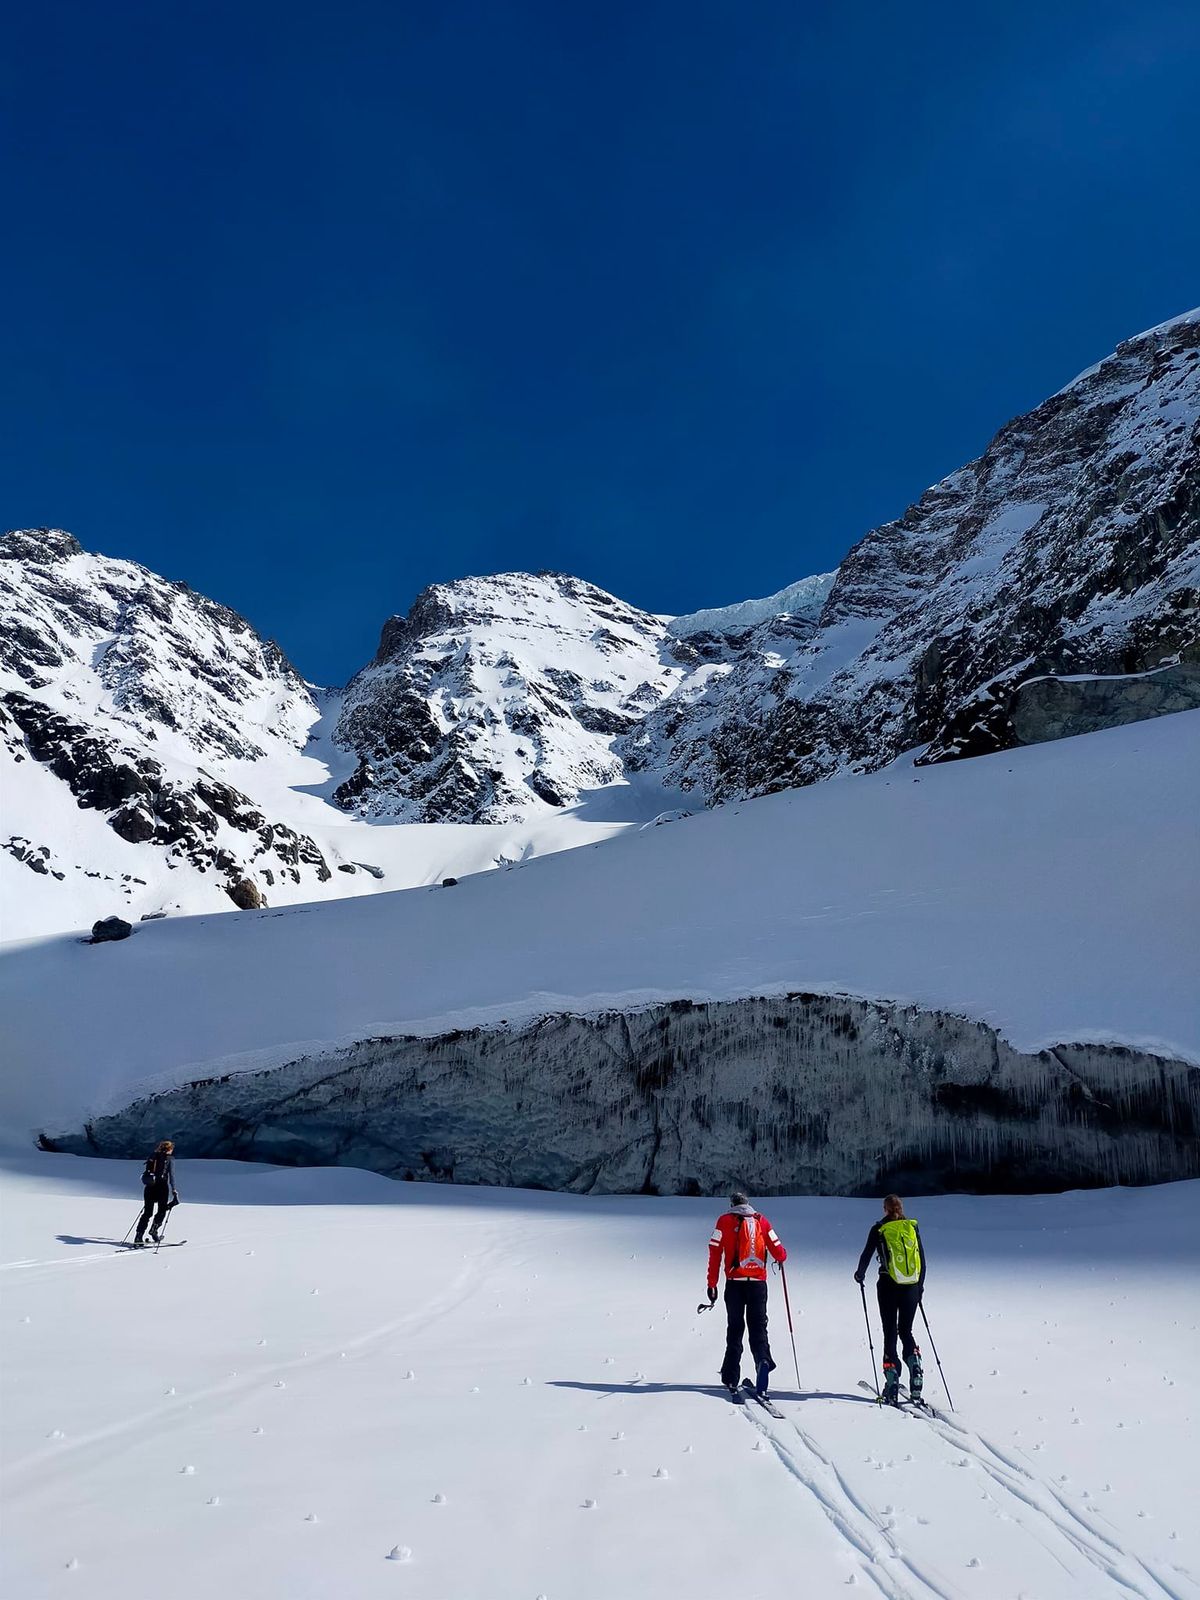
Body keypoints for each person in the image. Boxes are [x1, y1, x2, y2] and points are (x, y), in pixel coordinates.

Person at [706, 1189, 787, 1397]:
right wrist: (779, 1257)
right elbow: (780, 1251)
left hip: (734, 1284)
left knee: (735, 1328)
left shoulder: (723, 1221)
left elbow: (714, 1252)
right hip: (758, 1284)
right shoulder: (761, 1221)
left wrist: (712, 1283)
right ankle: (763, 1360)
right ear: (748, 1204)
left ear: (732, 1204)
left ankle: (731, 1376)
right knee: (758, 1327)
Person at [855, 1193, 925, 1404]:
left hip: (887, 1285)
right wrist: (919, 1288)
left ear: (885, 1209)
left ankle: (892, 1380)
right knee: (906, 1330)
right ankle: (915, 1365)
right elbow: (922, 1259)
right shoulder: (911, 1227)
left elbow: (867, 1254)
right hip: (911, 1286)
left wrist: (860, 1274)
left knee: (889, 1331)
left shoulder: (879, 1229)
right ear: (901, 1209)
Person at [135, 1139, 179, 1246]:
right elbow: (172, 1176)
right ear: (169, 1149)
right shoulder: (170, 1159)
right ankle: (154, 1230)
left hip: (150, 1186)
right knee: (162, 1210)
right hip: (162, 1187)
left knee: (147, 1212)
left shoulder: (153, 1156)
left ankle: (138, 1236)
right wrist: (174, 1189)